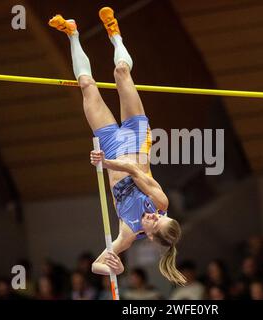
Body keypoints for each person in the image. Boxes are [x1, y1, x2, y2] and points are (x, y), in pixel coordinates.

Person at [48, 7, 185, 286]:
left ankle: (72, 34)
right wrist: (105, 164)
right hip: (135, 140)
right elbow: (134, 170)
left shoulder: (127, 233)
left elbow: (98, 264)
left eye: (153, 222)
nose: (153, 216)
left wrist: (113, 268)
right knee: (122, 72)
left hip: (110, 146)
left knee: (86, 85)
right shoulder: (161, 203)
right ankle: (115, 35)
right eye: (159, 217)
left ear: (150, 235)